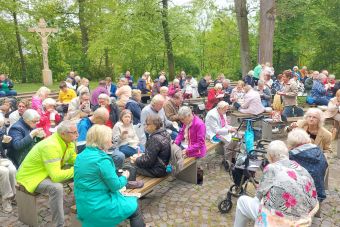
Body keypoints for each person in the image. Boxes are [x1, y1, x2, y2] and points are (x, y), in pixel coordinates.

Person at [233, 140, 319, 227]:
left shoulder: (271, 168)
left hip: (281, 222)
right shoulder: (301, 168)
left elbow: (259, 195)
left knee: (242, 201)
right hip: (304, 219)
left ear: (270, 157)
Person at [74, 125, 145, 227]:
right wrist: (125, 176)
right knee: (134, 207)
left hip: (83, 205)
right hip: (98, 207)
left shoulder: (80, 156)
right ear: (102, 140)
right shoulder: (102, 160)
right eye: (109, 138)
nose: (111, 141)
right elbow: (115, 186)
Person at [16, 120, 78, 227]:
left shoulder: (68, 142)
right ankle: (59, 224)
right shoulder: (51, 146)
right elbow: (56, 176)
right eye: (74, 132)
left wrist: (86, 164)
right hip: (31, 176)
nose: (77, 135)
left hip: (46, 171)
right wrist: (78, 170)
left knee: (83, 170)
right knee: (56, 187)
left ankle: (82, 207)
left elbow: (74, 159)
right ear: (63, 134)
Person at [287, 129, 328, 202]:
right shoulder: (319, 151)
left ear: (293, 143)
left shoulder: (294, 156)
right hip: (319, 191)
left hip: (306, 197)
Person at [0, 114, 16, 213]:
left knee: (12, 169)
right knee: (4, 171)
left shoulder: (1, 132)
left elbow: (4, 148)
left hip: (2, 159)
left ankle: (14, 195)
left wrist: (6, 142)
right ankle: (6, 200)